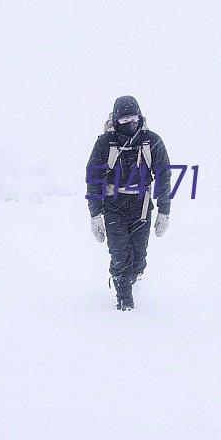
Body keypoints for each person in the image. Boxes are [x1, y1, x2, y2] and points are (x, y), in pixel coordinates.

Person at [86, 96, 172, 310]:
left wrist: (164, 211)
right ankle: (124, 300)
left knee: (139, 256)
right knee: (119, 253)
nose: (129, 124)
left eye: (133, 119)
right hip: (113, 206)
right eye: (124, 120)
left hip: (141, 206)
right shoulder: (105, 143)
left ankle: (133, 276)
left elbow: (164, 175)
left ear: (140, 117)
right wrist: (95, 215)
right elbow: (94, 178)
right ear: (116, 120)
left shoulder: (152, 141)